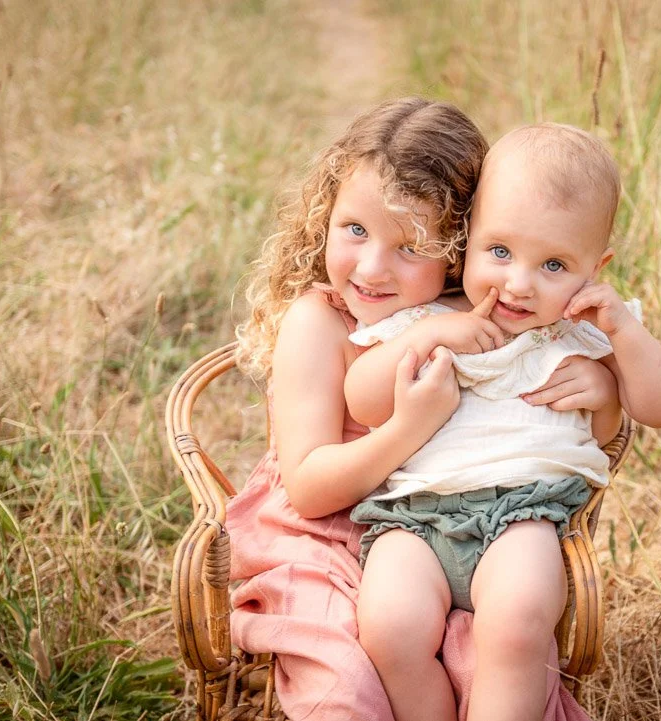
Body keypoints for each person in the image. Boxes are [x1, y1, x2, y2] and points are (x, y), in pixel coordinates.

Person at [226, 99, 610, 721]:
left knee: (484, 657)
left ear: (461, 251)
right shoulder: (319, 321)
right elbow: (308, 488)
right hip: (320, 531)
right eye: (354, 230)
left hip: (433, 523)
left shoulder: (470, 308)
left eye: (411, 247)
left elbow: (549, 377)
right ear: (326, 217)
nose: (372, 268)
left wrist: (603, 384)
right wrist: (411, 425)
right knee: (348, 682)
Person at [344, 122, 661, 721]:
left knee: (518, 622)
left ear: (595, 268)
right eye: (499, 251)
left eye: (554, 264)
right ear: (469, 237)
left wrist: (622, 343)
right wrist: (428, 336)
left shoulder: (583, 331)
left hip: (525, 515)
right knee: (388, 627)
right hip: (415, 516)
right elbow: (362, 401)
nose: (519, 283)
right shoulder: (429, 317)